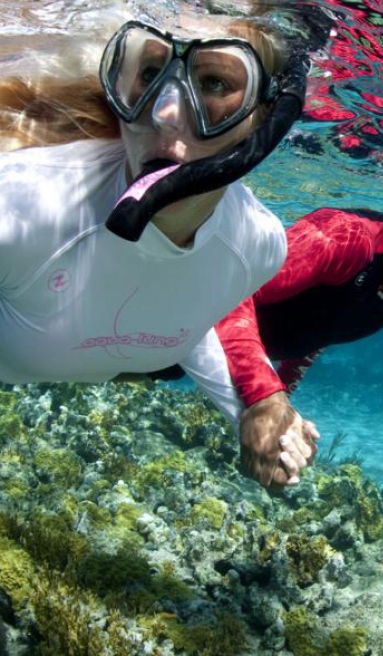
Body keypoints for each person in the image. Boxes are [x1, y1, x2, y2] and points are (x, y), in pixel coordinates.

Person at [0, 8, 324, 487]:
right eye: (149, 74)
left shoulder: (259, 246)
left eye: (214, 84)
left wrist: (252, 408)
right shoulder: (19, 210)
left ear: (264, 120)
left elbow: (185, 309)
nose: (162, 112)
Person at [201, 167, 383, 489]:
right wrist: (265, 399)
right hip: (177, 325)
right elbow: (231, 294)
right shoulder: (345, 237)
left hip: (206, 353)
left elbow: (321, 331)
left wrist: (282, 414)